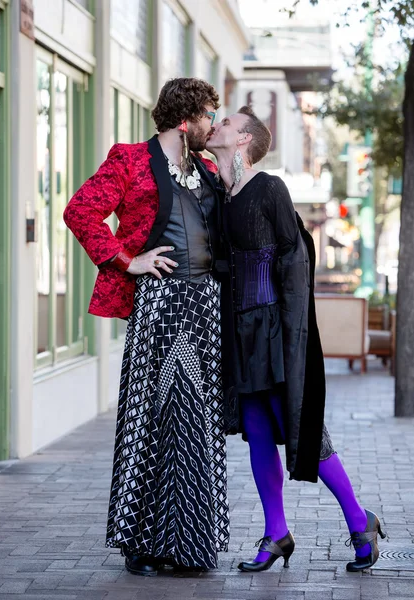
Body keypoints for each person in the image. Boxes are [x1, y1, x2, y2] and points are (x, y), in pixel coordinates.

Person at [206, 106, 386, 573]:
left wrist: (292, 334)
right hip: (240, 334)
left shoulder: (269, 188)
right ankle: (276, 532)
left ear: (244, 139)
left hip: (274, 330)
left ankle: (359, 520)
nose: (217, 126)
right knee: (259, 435)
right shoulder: (222, 197)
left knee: (301, 429)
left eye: (226, 123)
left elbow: (295, 254)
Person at [63, 78, 229, 577]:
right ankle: (143, 543)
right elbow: (81, 211)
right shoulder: (130, 160)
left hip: (204, 308)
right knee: (153, 418)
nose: (211, 125)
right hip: (159, 305)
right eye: (207, 116)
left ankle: (190, 546)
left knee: (196, 423)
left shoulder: (207, 169)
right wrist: (126, 260)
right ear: (185, 119)